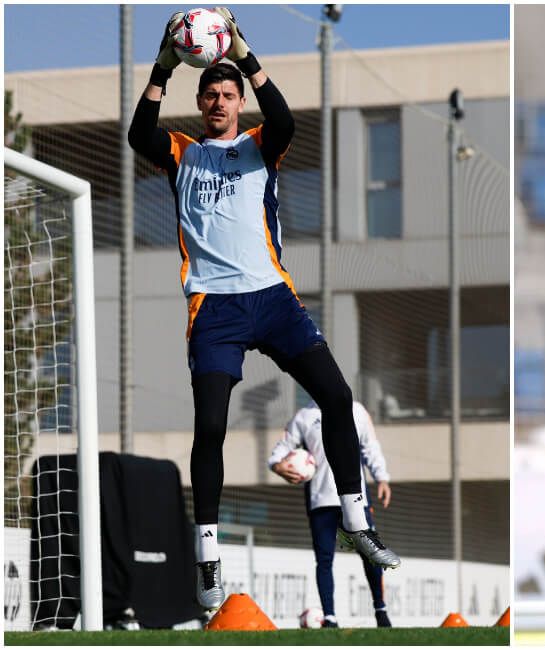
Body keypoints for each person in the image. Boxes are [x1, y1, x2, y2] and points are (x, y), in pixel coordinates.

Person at [127, 8, 400, 612]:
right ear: (200, 102)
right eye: (212, 94)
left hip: (273, 300)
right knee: (212, 429)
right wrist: (163, 65)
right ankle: (207, 557)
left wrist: (246, 55)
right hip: (214, 309)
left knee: (336, 396)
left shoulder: (259, 145)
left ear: (237, 101)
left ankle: (357, 521)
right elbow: (137, 134)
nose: (221, 101)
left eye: (228, 94)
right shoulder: (180, 153)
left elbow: (283, 116)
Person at [270, 401, 395, 628]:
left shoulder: (356, 410)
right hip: (321, 501)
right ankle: (330, 617)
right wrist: (277, 465)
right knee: (324, 560)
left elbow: (370, 447)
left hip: (355, 497)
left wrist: (382, 477)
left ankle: (381, 610)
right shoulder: (304, 416)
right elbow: (282, 447)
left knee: (371, 554)